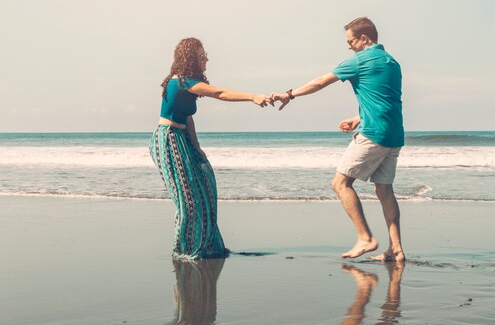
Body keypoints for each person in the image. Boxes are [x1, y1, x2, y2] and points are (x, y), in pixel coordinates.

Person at [272, 17, 405, 262]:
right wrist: (358, 118)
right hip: (394, 135)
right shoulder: (392, 62)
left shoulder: (360, 60)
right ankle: (396, 249)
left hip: (374, 134)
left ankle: (365, 238)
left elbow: (321, 81)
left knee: (340, 184)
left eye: (351, 40)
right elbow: (386, 101)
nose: (349, 46)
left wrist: (289, 94)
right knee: (384, 189)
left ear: (364, 39)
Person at [149, 37, 271, 260]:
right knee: (189, 198)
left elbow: (187, 116)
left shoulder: (188, 84)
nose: (206, 58)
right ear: (191, 58)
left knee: (206, 183)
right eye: (201, 55)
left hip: (183, 138)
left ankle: (208, 246)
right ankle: (185, 249)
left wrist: (197, 146)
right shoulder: (180, 81)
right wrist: (252, 96)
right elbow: (220, 93)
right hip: (169, 140)